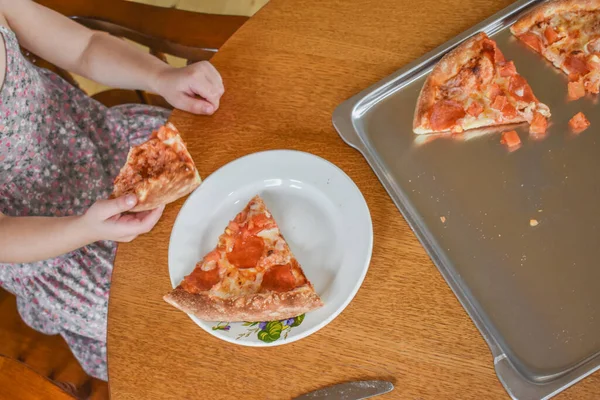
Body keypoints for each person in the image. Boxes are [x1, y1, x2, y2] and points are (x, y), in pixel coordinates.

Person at [0, 0, 225, 381]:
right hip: (57, 242)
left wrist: (160, 76)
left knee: (230, 169)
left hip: (107, 143)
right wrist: (87, 229)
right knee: (176, 330)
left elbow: (84, 47)